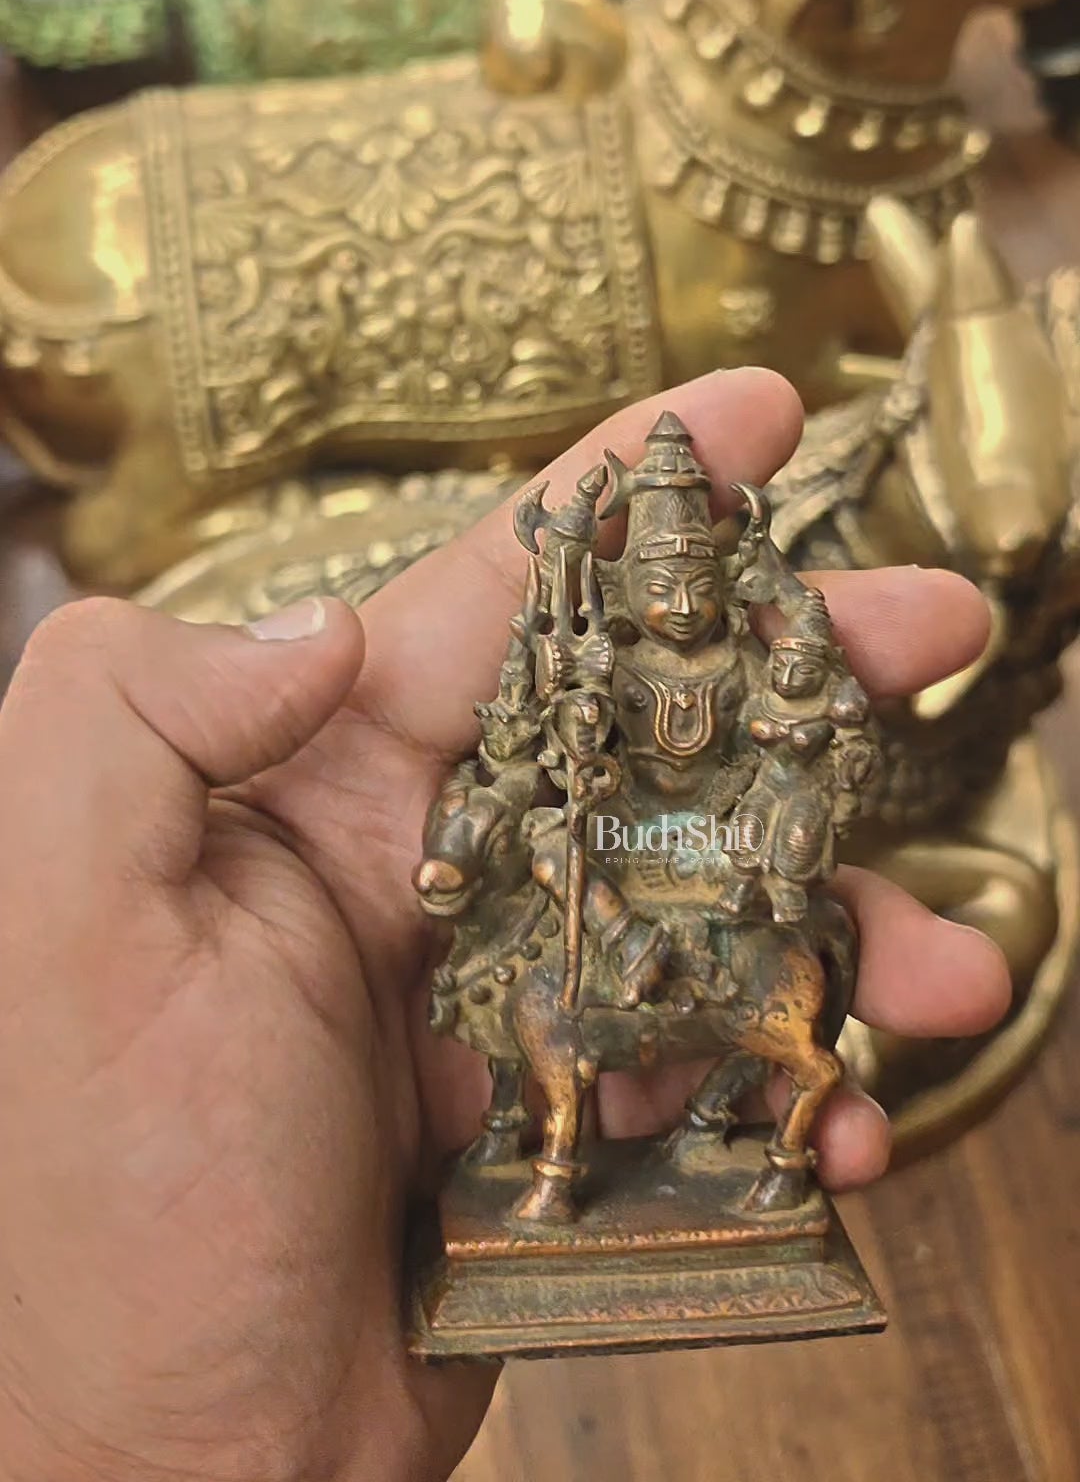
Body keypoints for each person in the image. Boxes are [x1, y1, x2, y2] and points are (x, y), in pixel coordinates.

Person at [0, 367, 1011, 1482]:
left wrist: (794, 684)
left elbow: (793, 724)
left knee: (775, 903)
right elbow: (546, 756)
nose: (681, 602)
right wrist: (571, 704)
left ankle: (693, 1072)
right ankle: (606, 972)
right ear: (630, 585)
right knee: (533, 851)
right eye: (659, 582)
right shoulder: (610, 656)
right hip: (610, 842)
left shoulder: (739, 658)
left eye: (697, 581)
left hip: (712, 843)